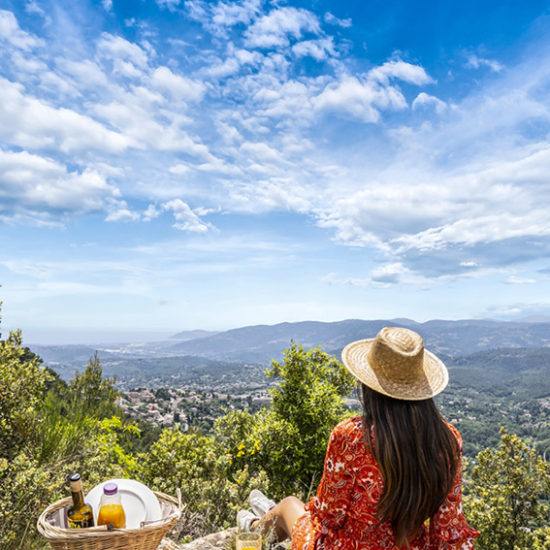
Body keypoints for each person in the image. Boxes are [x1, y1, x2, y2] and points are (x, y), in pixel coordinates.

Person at [237, 326, 479, 549]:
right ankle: (268, 513)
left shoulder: (351, 436)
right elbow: (448, 529)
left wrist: (309, 512)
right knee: (291, 510)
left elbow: (329, 516)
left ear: (370, 384)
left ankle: (255, 525)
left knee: (290, 505)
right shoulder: (447, 440)